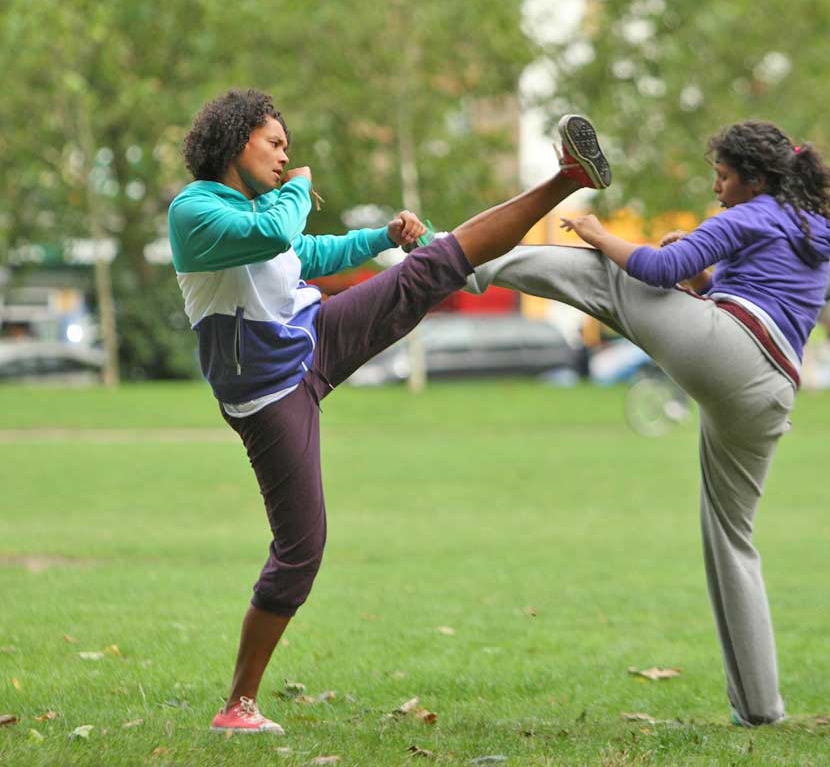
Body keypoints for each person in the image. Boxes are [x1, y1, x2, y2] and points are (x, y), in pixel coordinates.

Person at [168, 89, 612, 734]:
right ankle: (236, 705)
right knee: (301, 550)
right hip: (269, 393)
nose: (286, 155)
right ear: (236, 142)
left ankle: (564, 179)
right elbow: (274, 232)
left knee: (433, 265)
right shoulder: (197, 211)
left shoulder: (261, 210)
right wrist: (301, 185)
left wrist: (382, 237)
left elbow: (304, 256)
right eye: (275, 143)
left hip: (313, 334)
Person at [466, 120, 830, 726]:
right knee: (731, 538)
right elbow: (728, 283)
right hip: (769, 392)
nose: (717, 188)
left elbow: (656, 271)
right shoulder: (806, 227)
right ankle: (760, 709)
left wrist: (597, 232)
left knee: (601, 273)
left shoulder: (751, 214)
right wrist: (704, 279)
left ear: (755, 179)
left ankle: (458, 264)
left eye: (723, 177)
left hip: (732, 354)